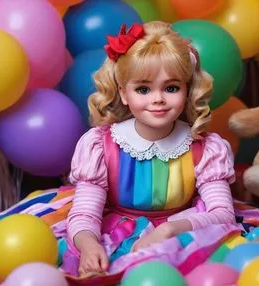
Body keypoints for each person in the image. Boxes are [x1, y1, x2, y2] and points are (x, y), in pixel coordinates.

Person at [64, 21, 236, 277]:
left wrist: (168, 230)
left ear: (187, 90)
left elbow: (223, 214)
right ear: (123, 93)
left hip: (184, 232)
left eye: (171, 88)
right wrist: (89, 246)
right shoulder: (100, 145)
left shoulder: (206, 148)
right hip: (116, 234)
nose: (158, 99)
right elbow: (85, 213)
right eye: (143, 89)